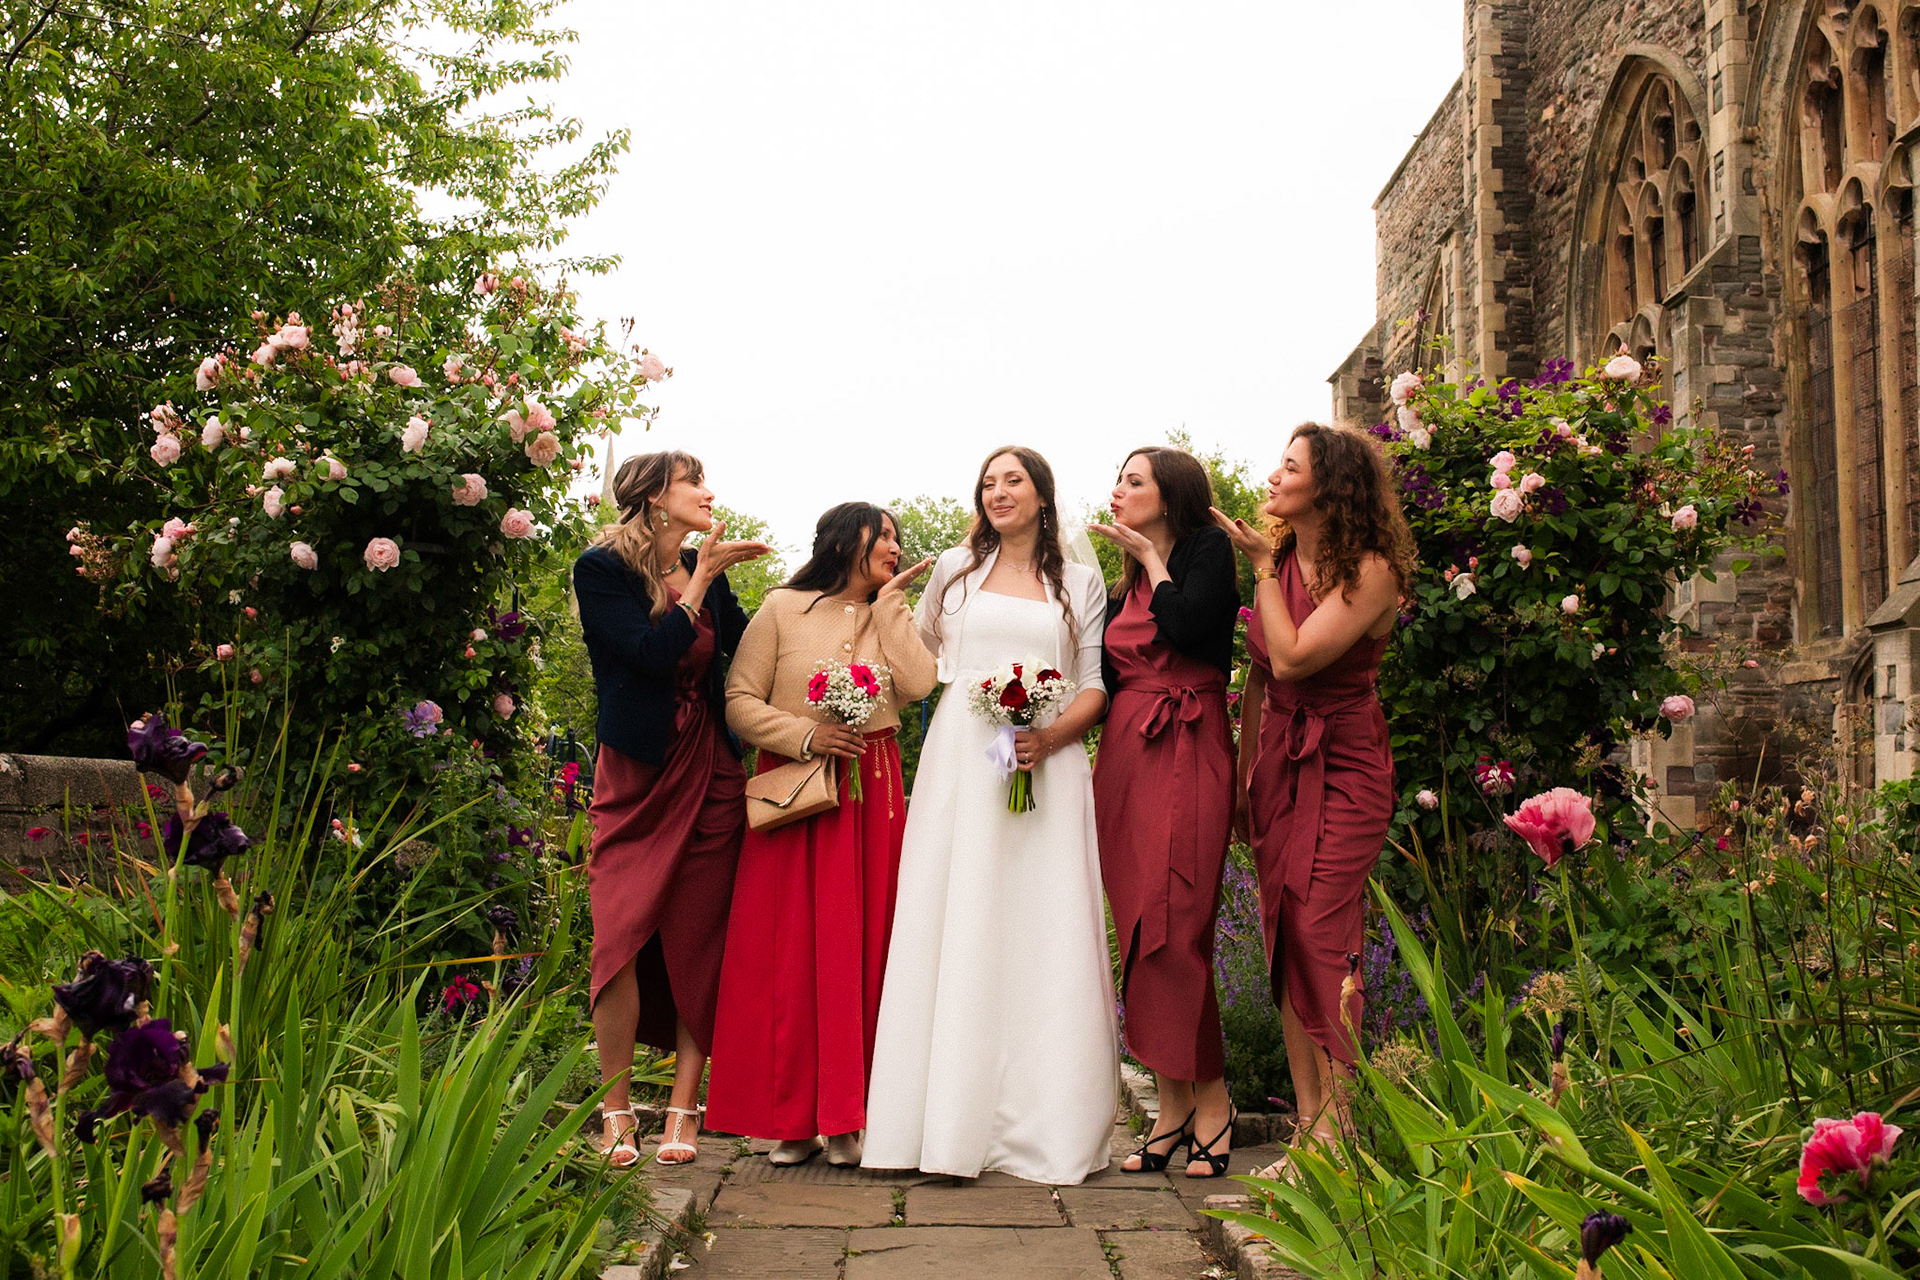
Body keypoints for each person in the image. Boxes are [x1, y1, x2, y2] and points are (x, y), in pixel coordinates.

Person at [862, 445, 1120, 1185]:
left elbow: (1095, 683)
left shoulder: (1077, 578)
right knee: (961, 912)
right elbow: (921, 663)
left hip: (1049, 757)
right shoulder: (954, 568)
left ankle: (1047, 1124)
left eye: (1014, 481)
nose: (998, 491)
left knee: (1042, 922)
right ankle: (942, 1124)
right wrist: (883, 619)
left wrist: (1048, 735)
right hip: (968, 757)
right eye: (987, 482)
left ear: (1042, 495)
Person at [704, 504, 937, 1167]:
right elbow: (740, 698)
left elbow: (920, 684)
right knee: (790, 950)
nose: (894, 545)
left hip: (873, 794)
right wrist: (806, 735)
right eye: (882, 535)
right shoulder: (782, 608)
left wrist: (891, 606)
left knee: (865, 946)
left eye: (896, 537)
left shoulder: (893, 614)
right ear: (844, 541)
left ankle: (849, 1119)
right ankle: (791, 1122)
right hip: (796, 791)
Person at [1211, 423, 1413, 1159]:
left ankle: (1342, 1132)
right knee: (1286, 941)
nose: (1272, 476)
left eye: (1288, 467)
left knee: (1323, 935)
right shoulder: (1290, 558)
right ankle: (1310, 1129)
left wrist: (1262, 569)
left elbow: (1294, 658)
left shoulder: (1372, 570)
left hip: (1345, 767)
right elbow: (1261, 681)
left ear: (1328, 485)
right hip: (1279, 772)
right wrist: (1240, 781)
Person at [574, 450, 771, 1168]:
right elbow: (651, 656)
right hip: (636, 775)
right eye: (694, 482)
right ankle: (617, 1108)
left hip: (712, 772)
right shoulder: (601, 571)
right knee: (617, 936)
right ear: (656, 496)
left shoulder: (704, 568)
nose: (708, 491)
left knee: (700, 935)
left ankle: (686, 1105)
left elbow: (754, 650)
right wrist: (702, 585)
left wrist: (834, 599)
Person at [1088, 446, 1241, 1178]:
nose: (1118, 491)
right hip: (1125, 756)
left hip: (1190, 740)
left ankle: (1212, 1098)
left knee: (1177, 921)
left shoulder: (1207, 548)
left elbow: (1186, 629)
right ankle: (1173, 1103)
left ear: (1170, 492)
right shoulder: (1123, 582)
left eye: (1134, 480)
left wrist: (1152, 557)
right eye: (1118, 479)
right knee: (1141, 927)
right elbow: (1110, 678)